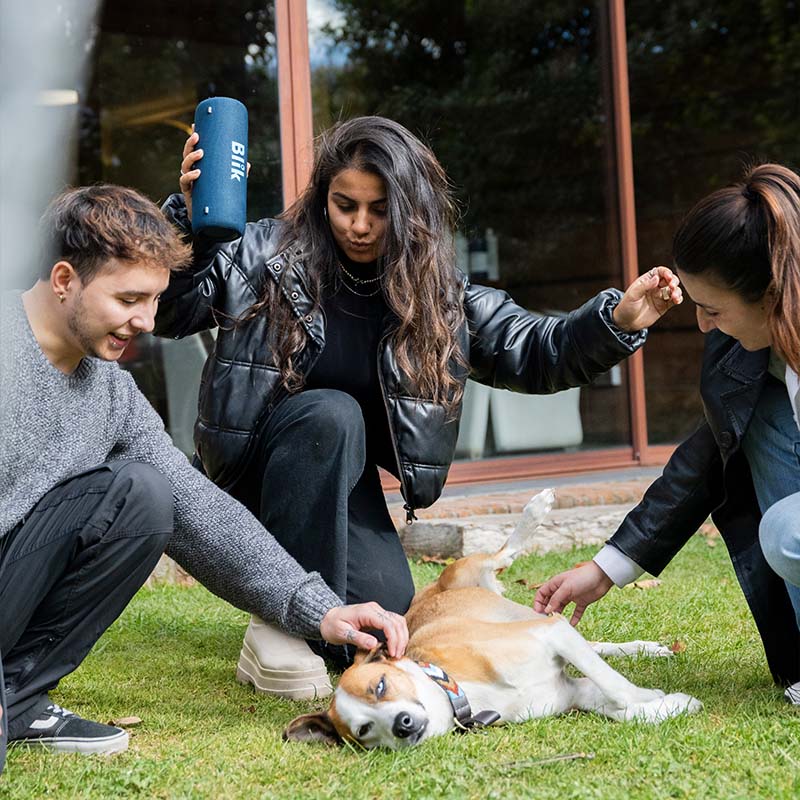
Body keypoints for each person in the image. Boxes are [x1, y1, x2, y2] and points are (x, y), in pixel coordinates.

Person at [156, 115, 681, 686]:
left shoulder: (435, 294)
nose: (360, 225)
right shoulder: (262, 252)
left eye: (380, 210)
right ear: (322, 198)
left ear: (408, 210)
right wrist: (186, 221)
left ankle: (311, 618)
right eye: (344, 205)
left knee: (389, 616)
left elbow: (534, 350)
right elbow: (167, 312)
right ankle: (279, 627)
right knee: (331, 412)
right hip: (253, 475)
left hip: (340, 480)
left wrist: (617, 321)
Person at [0, 185, 408, 766]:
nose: (146, 321)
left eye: (153, 299)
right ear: (65, 279)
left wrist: (321, 610)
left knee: (146, 494)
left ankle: (17, 697)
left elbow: (200, 511)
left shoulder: (112, 393)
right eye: (129, 299)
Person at [534, 162, 800, 706]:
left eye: (712, 309)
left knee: (787, 531)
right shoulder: (743, 351)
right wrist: (605, 568)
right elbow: (704, 460)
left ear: (771, 294)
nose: (701, 324)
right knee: (779, 504)